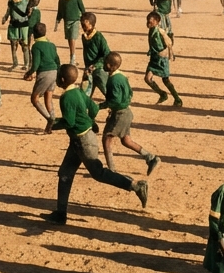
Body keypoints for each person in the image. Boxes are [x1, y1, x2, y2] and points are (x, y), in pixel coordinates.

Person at [42, 64, 150, 224]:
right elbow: (93, 107)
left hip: (82, 142)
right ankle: (60, 214)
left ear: (62, 79)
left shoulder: (66, 97)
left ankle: (135, 185)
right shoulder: (78, 91)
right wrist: (90, 121)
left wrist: (53, 124)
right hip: (80, 140)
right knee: (65, 173)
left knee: (99, 173)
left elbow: (69, 122)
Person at [101, 51, 160, 174]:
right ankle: (150, 157)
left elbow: (115, 100)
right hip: (127, 112)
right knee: (126, 140)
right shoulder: (122, 76)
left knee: (107, 139)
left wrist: (101, 106)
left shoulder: (113, 80)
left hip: (119, 115)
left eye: (105, 63)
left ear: (110, 66)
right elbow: (130, 93)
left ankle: (112, 171)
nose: (103, 64)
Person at [143, 11, 183, 106]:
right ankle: (162, 94)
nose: (148, 23)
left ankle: (177, 99)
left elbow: (169, 43)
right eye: (147, 21)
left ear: (157, 22)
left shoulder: (161, 32)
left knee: (166, 80)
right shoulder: (151, 30)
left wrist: (169, 54)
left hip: (161, 60)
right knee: (147, 79)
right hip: (153, 59)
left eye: (151, 21)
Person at [24, 22, 59, 123]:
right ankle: (53, 119)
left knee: (34, 99)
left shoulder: (36, 46)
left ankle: (49, 119)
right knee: (48, 98)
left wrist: (28, 73)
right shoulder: (51, 45)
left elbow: (35, 65)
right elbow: (57, 61)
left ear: (34, 34)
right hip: (54, 73)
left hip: (44, 74)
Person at [54, 0, 86, 66]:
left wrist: (84, 21)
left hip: (75, 21)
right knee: (69, 39)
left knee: (72, 39)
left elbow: (83, 10)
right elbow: (60, 11)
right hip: (66, 22)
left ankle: (72, 59)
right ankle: (72, 57)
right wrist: (57, 21)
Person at [79, 13, 110, 97]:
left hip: (99, 70)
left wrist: (96, 65)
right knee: (84, 95)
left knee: (108, 93)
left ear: (91, 24)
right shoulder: (84, 37)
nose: (83, 27)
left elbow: (107, 53)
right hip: (88, 70)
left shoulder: (98, 37)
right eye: (82, 25)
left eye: (85, 25)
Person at [3, 0, 32, 69]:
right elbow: (8, 10)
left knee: (25, 45)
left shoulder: (26, 1)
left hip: (24, 26)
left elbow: (29, 14)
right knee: (13, 45)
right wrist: (5, 18)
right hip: (14, 25)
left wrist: (29, 12)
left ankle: (26, 64)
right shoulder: (11, 0)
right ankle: (15, 63)